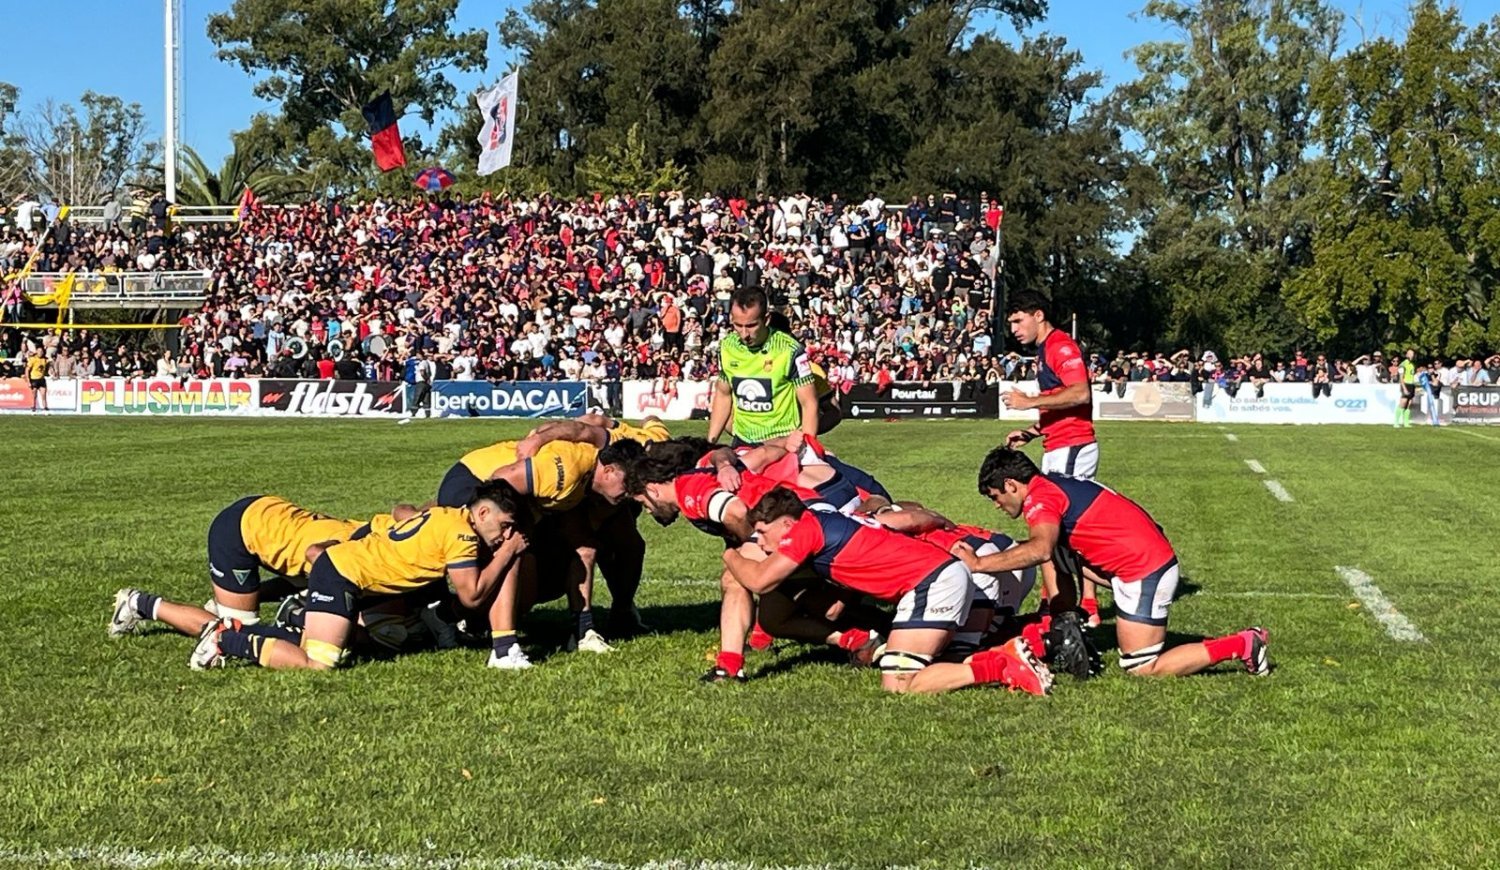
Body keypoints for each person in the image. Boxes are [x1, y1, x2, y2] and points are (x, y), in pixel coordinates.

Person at [951, 448, 1269, 680]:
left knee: (1143, 668)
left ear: (1011, 485)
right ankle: (1059, 626)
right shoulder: (1051, 485)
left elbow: (1040, 549)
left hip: (1145, 570)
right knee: (1055, 551)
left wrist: (979, 564)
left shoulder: (1041, 497)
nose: (996, 505)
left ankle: (1242, 644)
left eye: (995, 496)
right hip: (1138, 559)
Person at [724, 487, 1052, 695]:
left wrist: (730, 554)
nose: (761, 542)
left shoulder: (804, 530)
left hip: (930, 583)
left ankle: (1003, 664)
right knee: (945, 658)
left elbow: (760, 581)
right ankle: (1031, 644)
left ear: (786, 524)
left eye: (763, 533)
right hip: (938, 576)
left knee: (901, 684)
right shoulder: (822, 517)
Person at [191, 481, 527, 671]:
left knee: (333, 646)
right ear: (482, 512)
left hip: (344, 571)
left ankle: (246, 630)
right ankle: (226, 639)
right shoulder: (463, 534)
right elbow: (471, 595)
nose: (505, 534)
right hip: (342, 573)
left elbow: (401, 510)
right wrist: (508, 553)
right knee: (318, 663)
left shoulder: (445, 516)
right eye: (504, 525)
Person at [109, 496, 367, 639]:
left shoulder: (377, 534)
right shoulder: (351, 555)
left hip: (268, 510)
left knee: (316, 581)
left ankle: (235, 599)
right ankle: (138, 603)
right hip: (237, 534)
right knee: (237, 631)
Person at [996, 290, 1102, 624]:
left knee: (1063, 530)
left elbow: (1080, 392)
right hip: (1059, 444)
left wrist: (1028, 402)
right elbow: (1060, 400)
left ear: (1037, 314)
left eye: (1018, 320)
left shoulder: (1060, 346)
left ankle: (1082, 606)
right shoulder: (1046, 350)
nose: (1014, 328)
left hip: (1071, 447)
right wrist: (1032, 430)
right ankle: (1060, 603)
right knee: (1057, 529)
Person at [707, 288, 819, 446]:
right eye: (738, 325)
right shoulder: (727, 347)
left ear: (766, 319)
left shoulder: (790, 350)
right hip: (743, 441)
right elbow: (723, 394)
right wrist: (710, 443)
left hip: (781, 442)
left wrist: (808, 448)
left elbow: (809, 403)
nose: (744, 334)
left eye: (751, 325)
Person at [1396, 349, 1418, 428]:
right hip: (1405, 384)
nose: (1412, 355)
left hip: (1411, 384)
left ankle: (1406, 422)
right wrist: (1404, 388)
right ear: (1407, 355)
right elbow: (1401, 378)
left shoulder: (1413, 364)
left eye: (1413, 354)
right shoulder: (1403, 364)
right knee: (1403, 403)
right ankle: (1396, 422)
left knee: (1409, 404)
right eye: (1410, 354)